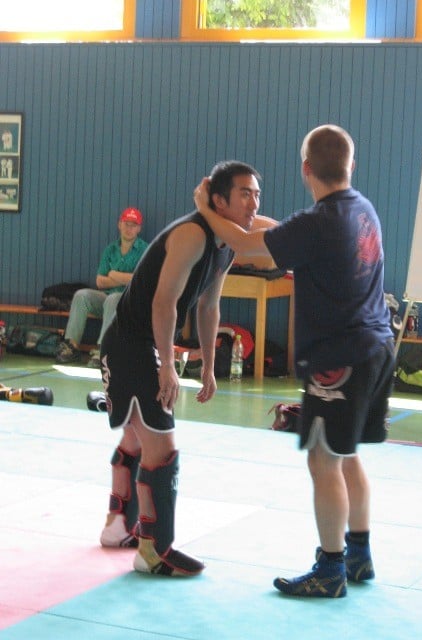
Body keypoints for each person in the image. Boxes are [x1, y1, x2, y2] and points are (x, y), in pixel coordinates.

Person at [194, 125, 395, 597]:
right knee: (346, 454)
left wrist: (205, 209)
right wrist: (249, 222)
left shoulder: (317, 223)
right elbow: (281, 230)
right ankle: (358, 554)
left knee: (323, 459)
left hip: (341, 356)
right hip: (378, 346)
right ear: (351, 165)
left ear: (306, 168)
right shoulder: (361, 209)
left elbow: (246, 246)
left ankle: (331, 569)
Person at [99, 161, 277, 576]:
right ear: (218, 200)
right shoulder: (193, 235)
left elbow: (209, 305)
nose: (253, 203)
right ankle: (153, 550)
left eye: (257, 194)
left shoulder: (227, 243)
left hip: (138, 343)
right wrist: (167, 365)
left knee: (136, 437)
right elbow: (164, 303)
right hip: (131, 345)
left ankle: (117, 525)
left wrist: (210, 365)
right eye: (244, 194)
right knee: (162, 449)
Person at [55, 207, 148, 367]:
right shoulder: (110, 249)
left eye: (133, 225)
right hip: (107, 299)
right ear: (119, 224)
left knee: (113, 299)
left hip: (130, 302)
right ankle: (72, 346)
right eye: (126, 223)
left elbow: (141, 280)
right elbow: (100, 282)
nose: (129, 228)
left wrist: (113, 274)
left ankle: (103, 350)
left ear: (139, 228)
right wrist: (124, 278)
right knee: (81, 295)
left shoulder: (145, 250)